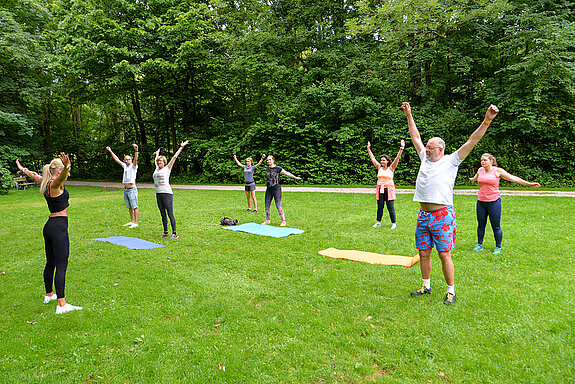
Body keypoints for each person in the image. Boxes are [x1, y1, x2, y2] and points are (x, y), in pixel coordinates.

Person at [401, 101, 499, 305]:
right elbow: (415, 137)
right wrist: (409, 115)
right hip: (424, 215)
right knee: (423, 252)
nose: (426, 149)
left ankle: (451, 291)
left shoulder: (451, 161)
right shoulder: (424, 159)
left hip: (442, 215)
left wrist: (487, 120)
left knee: (444, 254)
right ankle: (426, 286)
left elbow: (472, 141)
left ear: (440, 149)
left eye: (430, 147)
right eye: (426, 147)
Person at [16, 154, 83, 314]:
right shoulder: (55, 184)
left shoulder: (45, 182)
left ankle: (49, 294)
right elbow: (61, 179)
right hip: (58, 227)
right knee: (61, 265)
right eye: (66, 170)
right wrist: (67, 166)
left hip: (49, 227)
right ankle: (61, 304)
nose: (68, 172)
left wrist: (23, 169)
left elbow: (34, 175)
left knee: (51, 263)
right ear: (59, 170)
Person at [469, 153, 540, 254]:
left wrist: (529, 184)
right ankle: (479, 244)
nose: (483, 162)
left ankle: (498, 247)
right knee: (481, 225)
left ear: (491, 161)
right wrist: (472, 179)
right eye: (481, 160)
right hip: (481, 202)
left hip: (494, 202)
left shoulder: (498, 171)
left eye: (485, 160)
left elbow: (514, 178)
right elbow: (476, 177)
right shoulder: (480, 170)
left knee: (496, 226)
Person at [153, 141, 189, 240]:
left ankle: (174, 233)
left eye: (161, 161)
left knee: (170, 213)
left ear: (164, 162)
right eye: (158, 162)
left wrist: (181, 147)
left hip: (167, 194)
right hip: (158, 194)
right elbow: (156, 159)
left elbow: (174, 157)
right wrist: (157, 154)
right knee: (162, 214)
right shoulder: (156, 169)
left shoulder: (167, 168)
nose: (159, 163)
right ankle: (165, 232)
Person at [367, 139, 405, 229]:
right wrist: (369, 149)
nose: (382, 162)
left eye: (384, 160)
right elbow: (372, 158)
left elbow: (397, 158)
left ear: (387, 161)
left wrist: (401, 148)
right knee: (380, 206)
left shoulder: (391, 168)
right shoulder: (379, 167)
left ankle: (393, 224)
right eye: (381, 160)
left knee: (390, 206)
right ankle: (378, 222)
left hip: (389, 189)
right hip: (380, 188)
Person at [261, 155, 301, 226]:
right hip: (269, 189)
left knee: (278, 205)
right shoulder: (267, 168)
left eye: (269, 160)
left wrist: (295, 177)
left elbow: (286, 173)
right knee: (267, 205)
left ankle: (283, 221)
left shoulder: (278, 168)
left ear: (273, 160)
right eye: (267, 160)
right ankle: (267, 220)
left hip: (276, 189)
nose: (268, 161)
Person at [106, 144, 139, 228]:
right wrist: (110, 151)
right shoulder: (125, 166)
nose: (127, 161)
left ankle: (136, 222)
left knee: (134, 206)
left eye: (128, 159)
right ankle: (132, 221)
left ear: (131, 160)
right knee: (129, 207)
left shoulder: (134, 166)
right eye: (125, 160)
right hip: (126, 189)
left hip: (132, 189)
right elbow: (117, 159)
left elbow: (136, 159)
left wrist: (136, 150)